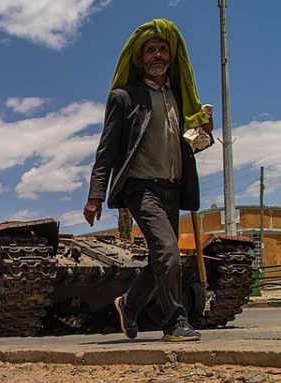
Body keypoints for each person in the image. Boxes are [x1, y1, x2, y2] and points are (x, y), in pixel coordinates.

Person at [83, 18, 213, 342]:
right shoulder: (125, 97)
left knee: (160, 259)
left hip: (173, 187)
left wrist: (205, 132)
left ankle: (128, 305)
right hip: (141, 188)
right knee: (168, 252)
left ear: (171, 56)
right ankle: (175, 323)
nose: (157, 55)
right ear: (140, 59)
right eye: (150, 50)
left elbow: (193, 144)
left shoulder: (181, 99)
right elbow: (107, 150)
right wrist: (95, 195)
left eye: (162, 49)